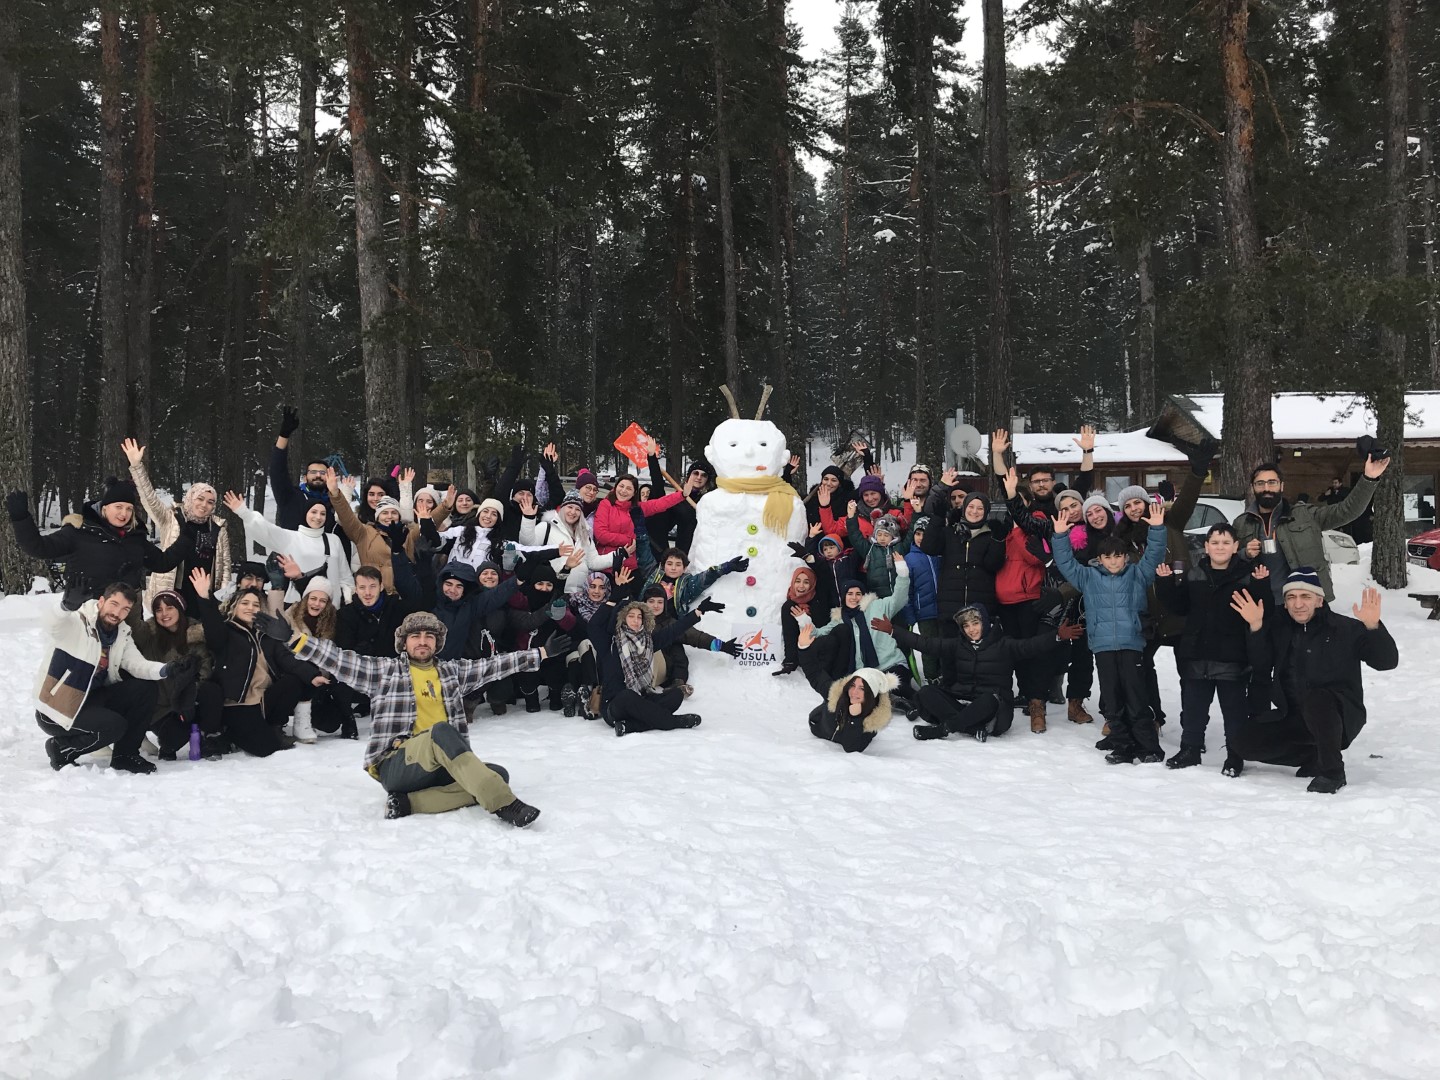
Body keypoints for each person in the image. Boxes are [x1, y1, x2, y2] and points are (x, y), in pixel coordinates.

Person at [284, 608, 562, 824]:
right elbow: (339, 659)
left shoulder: (451, 673)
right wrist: (295, 641)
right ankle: (506, 804)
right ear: (404, 642)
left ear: (437, 643)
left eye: (429, 636)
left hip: (441, 766)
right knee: (442, 732)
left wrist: (540, 653)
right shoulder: (385, 672)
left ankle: (409, 804)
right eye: (415, 636)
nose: (422, 641)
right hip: (398, 765)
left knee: (498, 774)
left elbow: (493, 665)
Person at [1227, 571, 1398, 793]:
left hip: (1340, 715)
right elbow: (1261, 664)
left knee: (1317, 699)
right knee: (1243, 743)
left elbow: (1386, 662)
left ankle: (1332, 772)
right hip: (1294, 716)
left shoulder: (1345, 628)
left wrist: (1373, 627)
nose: (1298, 604)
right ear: (1285, 603)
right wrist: (1256, 626)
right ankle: (1314, 756)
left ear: (1319, 600)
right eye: (1291, 597)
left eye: (1305, 597)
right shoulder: (1280, 627)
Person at [1051, 501, 1169, 763]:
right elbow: (1066, 563)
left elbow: (1154, 555)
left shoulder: (1138, 574)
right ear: (1100, 559)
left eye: (1118, 556)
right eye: (1108, 557)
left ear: (1125, 557)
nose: (1113, 561)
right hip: (1103, 646)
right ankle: (1122, 744)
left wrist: (1157, 529)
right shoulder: (1088, 577)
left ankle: (1148, 746)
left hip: (1131, 644)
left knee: (1136, 697)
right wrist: (1059, 536)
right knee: (1112, 698)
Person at [33, 582, 192, 773]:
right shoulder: (78, 622)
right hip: (58, 707)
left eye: (125, 609)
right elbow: (52, 624)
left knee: (145, 688)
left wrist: (166, 669)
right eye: (114, 604)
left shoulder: (120, 633)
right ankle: (62, 749)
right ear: (101, 601)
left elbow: (137, 664)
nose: (117, 613)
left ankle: (125, 756)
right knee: (115, 726)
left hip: (92, 699)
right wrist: (65, 607)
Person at [1154, 524, 1270, 771]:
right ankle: (1190, 749)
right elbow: (1180, 607)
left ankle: (1235, 755)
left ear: (1236, 546)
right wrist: (1164, 583)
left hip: (1232, 656)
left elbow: (1263, 610)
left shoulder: (1247, 575)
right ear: (1206, 546)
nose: (1220, 547)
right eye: (1215, 543)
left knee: (1234, 711)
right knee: (1194, 708)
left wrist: (1261, 585)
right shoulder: (1195, 574)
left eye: (1226, 543)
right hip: (1197, 653)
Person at [881, 603, 1075, 741]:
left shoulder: (1004, 645)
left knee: (990, 699)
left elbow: (1032, 645)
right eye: (966, 626)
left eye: (975, 623)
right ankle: (973, 729)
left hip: (995, 711)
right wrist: (894, 631)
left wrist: (1057, 636)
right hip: (965, 702)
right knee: (926, 692)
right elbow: (927, 644)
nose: (971, 630)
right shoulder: (959, 644)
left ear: (985, 622)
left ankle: (944, 729)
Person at [8, 482, 192, 615]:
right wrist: (21, 518)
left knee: (128, 658)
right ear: (104, 508)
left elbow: (162, 563)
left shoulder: (135, 538)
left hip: (128, 614)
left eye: (129, 509)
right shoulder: (79, 531)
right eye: (118, 507)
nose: (124, 513)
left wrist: (186, 537)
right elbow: (39, 548)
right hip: (88, 610)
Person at [190, 568, 316, 757]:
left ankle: (274, 726)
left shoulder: (266, 636)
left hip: (263, 700)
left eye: (255, 604)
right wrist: (204, 598)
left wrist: (313, 675)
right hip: (237, 703)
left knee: (293, 680)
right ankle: (222, 734)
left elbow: (287, 660)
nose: (250, 608)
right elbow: (213, 630)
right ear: (234, 606)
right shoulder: (226, 632)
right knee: (265, 748)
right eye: (245, 603)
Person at [1233, 453, 1388, 603]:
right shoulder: (1241, 524)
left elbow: (1346, 511)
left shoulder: (1305, 515)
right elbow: (1229, 563)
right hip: (1261, 606)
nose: (1266, 488)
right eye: (1260, 483)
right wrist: (1244, 553)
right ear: (1253, 488)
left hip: (1305, 606)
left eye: (1272, 482)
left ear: (1281, 486)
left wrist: (1369, 478)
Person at [122, 438, 232, 608]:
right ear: (190, 498)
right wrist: (137, 466)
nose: (204, 505)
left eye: (210, 502)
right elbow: (149, 499)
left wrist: (222, 601)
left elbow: (224, 569)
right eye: (200, 499)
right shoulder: (172, 518)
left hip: (203, 598)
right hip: (170, 596)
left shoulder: (218, 529)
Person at [588, 593, 714, 735]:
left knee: (676, 695)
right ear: (622, 618)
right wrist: (611, 601)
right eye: (631, 616)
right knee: (627, 696)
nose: (635, 620)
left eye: (639, 617)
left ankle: (631, 726)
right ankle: (673, 722)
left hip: (643, 699)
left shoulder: (648, 642)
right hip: (615, 705)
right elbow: (593, 626)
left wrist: (698, 612)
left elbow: (673, 631)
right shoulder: (609, 643)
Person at [919, 490, 1007, 687]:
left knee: (978, 654)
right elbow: (928, 547)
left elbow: (993, 564)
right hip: (951, 604)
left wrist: (998, 540)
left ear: (986, 511)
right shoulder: (950, 532)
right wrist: (937, 519)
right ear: (964, 508)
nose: (974, 512)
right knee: (950, 652)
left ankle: (977, 690)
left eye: (980, 508)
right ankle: (950, 689)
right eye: (971, 507)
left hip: (980, 604)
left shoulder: (990, 534)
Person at [796, 557, 912, 701]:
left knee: (897, 689)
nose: (854, 598)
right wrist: (804, 620)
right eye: (849, 594)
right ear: (844, 597)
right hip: (865, 673)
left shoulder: (878, 606)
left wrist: (902, 572)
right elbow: (817, 633)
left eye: (858, 594)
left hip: (891, 663)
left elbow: (899, 599)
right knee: (870, 698)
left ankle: (917, 704)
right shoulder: (839, 619)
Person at [223, 490, 354, 608]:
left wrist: (348, 599)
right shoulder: (290, 537)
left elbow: (345, 576)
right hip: (297, 607)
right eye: (314, 512)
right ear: (305, 513)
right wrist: (244, 512)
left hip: (330, 607)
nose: (318, 517)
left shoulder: (333, 540)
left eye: (323, 514)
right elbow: (265, 530)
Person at [131, 589, 216, 759]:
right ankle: (167, 744)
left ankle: (207, 737)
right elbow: (132, 623)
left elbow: (205, 669)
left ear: (180, 608)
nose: (164, 614)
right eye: (159, 610)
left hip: (190, 701)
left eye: (169, 608)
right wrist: (135, 591)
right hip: (162, 708)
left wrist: (189, 695)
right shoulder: (149, 634)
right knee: (174, 737)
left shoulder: (194, 633)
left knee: (211, 692)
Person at [804, 656, 898, 754]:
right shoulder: (836, 694)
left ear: (870, 693)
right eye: (852, 685)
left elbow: (851, 747)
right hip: (817, 726)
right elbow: (815, 673)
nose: (854, 692)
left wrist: (855, 718)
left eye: (862, 688)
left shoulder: (873, 720)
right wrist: (804, 649)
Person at [268, 406, 334, 531]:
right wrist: (284, 435)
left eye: (322, 472)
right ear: (305, 478)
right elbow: (277, 472)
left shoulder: (334, 503)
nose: (318, 475)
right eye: (313, 472)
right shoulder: (291, 497)